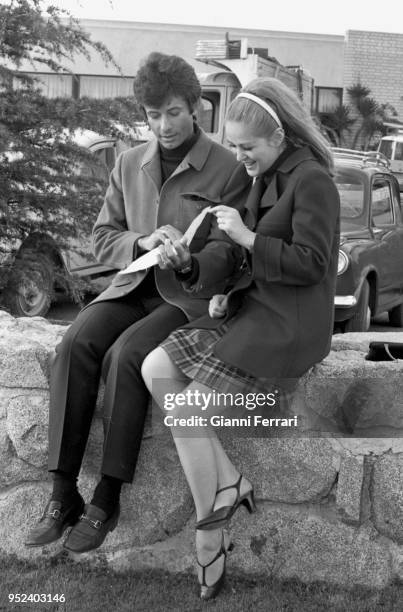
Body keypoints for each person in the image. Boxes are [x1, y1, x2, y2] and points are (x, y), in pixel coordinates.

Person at [25, 52, 250, 553]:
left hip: (186, 298)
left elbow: (232, 254)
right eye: (153, 114)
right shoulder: (128, 162)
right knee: (75, 342)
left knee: (128, 356)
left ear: (196, 109)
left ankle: (107, 496)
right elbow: (102, 236)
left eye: (173, 112)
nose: (163, 125)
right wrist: (141, 243)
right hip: (131, 287)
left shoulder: (230, 169)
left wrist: (189, 260)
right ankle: (63, 493)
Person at [141, 77, 340, 600]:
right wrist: (201, 274)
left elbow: (315, 265)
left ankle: (210, 533)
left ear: (278, 137)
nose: (239, 157)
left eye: (246, 148)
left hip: (289, 325)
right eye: (233, 147)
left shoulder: (312, 180)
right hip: (251, 310)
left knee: (185, 412)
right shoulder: (258, 176)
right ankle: (229, 480)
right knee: (154, 369)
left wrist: (250, 238)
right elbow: (231, 255)